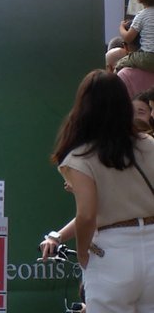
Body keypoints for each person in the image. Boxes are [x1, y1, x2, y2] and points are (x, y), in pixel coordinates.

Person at [46, 70, 154, 312]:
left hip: (113, 252)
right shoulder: (149, 145)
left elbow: (86, 214)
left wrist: (84, 255)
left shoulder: (81, 156)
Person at [118, 0, 154, 72]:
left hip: (148, 57)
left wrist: (121, 27)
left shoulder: (142, 15)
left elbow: (128, 38)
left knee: (120, 63)